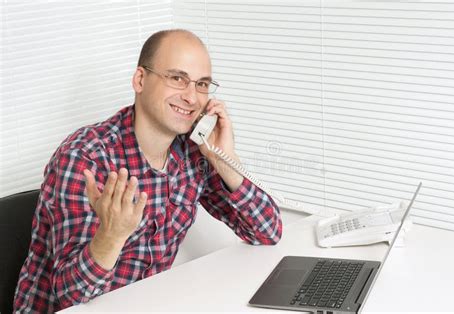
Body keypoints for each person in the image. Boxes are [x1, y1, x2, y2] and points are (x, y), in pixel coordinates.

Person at [13, 29, 282, 313]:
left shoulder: (194, 153)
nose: (191, 97)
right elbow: (70, 298)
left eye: (202, 84)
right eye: (177, 78)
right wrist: (111, 237)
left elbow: (267, 231)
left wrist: (224, 160)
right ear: (140, 80)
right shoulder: (85, 158)